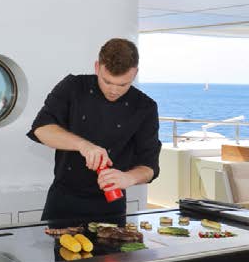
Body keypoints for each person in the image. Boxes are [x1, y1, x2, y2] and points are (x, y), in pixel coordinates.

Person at [28, 38, 161, 222]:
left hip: (111, 207)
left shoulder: (145, 107)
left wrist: (129, 178)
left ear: (135, 73)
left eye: (123, 84)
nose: (114, 90)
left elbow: (150, 166)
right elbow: (41, 129)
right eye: (107, 81)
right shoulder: (72, 87)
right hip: (63, 202)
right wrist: (83, 145)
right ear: (97, 67)